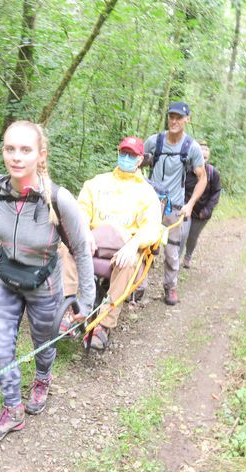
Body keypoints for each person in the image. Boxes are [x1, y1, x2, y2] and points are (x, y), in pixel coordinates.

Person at [0, 121, 95, 444]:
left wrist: (85, 300)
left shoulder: (58, 199)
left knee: (44, 343)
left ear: (40, 155)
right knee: (1, 347)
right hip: (5, 279)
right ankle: (13, 409)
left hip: (44, 285)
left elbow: (81, 251)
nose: (16, 157)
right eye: (9, 148)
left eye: (25, 150)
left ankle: (43, 378)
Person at [60, 136, 162, 350]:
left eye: (131, 155)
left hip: (124, 246)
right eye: (123, 153)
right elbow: (81, 210)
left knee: (129, 262)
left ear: (139, 159)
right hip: (94, 241)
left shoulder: (146, 193)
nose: (126, 158)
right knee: (66, 247)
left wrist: (134, 245)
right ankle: (68, 310)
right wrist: (83, 233)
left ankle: (103, 325)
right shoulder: (97, 183)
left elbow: (152, 226)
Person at [144, 101, 207, 305]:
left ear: (187, 119)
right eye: (171, 116)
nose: (174, 120)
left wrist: (190, 205)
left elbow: (202, 178)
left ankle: (170, 287)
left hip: (176, 207)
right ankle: (138, 287)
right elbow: (140, 161)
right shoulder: (154, 142)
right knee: (144, 246)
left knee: (172, 251)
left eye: (179, 117)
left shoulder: (192, 148)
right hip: (151, 204)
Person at [180, 140, 221, 268]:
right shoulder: (186, 169)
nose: (203, 154)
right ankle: (175, 258)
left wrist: (207, 210)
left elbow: (216, 193)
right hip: (185, 208)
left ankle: (188, 256)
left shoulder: (213, 173)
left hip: (202, 212)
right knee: (181, 234)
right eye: (200, 151)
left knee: (192, 236)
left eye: (206, 152)